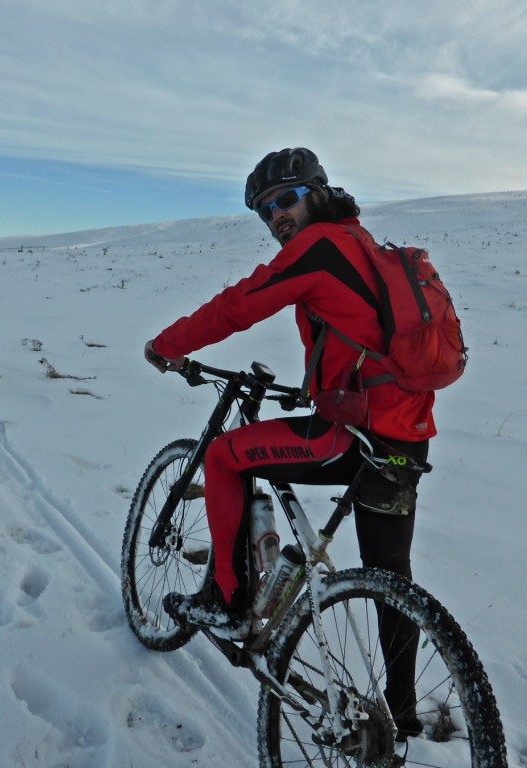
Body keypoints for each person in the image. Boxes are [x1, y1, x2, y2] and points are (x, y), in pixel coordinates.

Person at [143, 147, 434, 738]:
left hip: (346, 437)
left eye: (286, 199)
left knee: (224, 456)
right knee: (392, 581)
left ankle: (227, 603)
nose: (276, 216)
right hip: (404, 438)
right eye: (264, 210)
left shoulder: (319, 248)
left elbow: (238, 306)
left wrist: (167, 345)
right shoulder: (365, 245)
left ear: (318, 193)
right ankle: (402, 718)